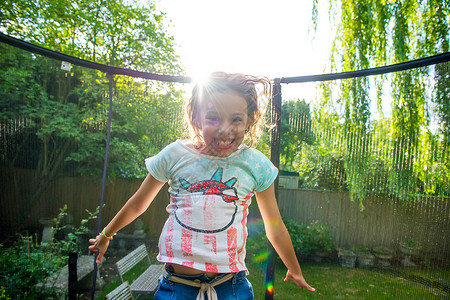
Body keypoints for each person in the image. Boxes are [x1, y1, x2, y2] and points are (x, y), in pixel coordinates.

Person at [89, 72, 315, 299]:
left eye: (236, 119)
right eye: (214, 118)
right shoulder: (175, 155)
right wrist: (107, 234)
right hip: (177, 287)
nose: (225, 129)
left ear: (249, 120)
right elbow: (138, 204)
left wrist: (294, 268)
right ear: (197, 119)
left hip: (231, 287)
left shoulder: (255, 164)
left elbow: (274, 226)